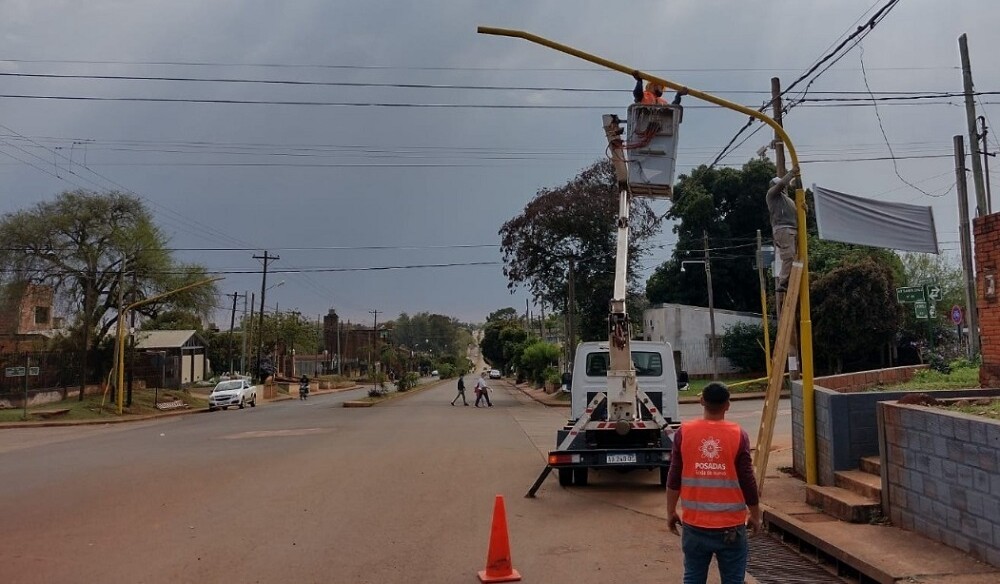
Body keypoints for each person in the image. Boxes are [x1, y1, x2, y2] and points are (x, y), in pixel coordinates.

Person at [666, 382, 760, 584]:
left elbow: (674, 477)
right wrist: (755, 514)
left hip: (694, 525)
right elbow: (747, 480)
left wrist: (671, 511)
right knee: (734, 580)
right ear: (728, 405)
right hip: (731, 527)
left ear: (701, 402)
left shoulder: (684, 433)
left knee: (693, 577)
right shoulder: (738, 435)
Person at [766, 174, 798, 295]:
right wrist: (791, 173)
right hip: (783, 229)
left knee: (793, 256)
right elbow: (781, 185)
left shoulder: (788, 200)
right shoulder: (772, 195)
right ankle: (783, 281)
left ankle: (789, 279)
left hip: (792, 229)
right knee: (788, 256)